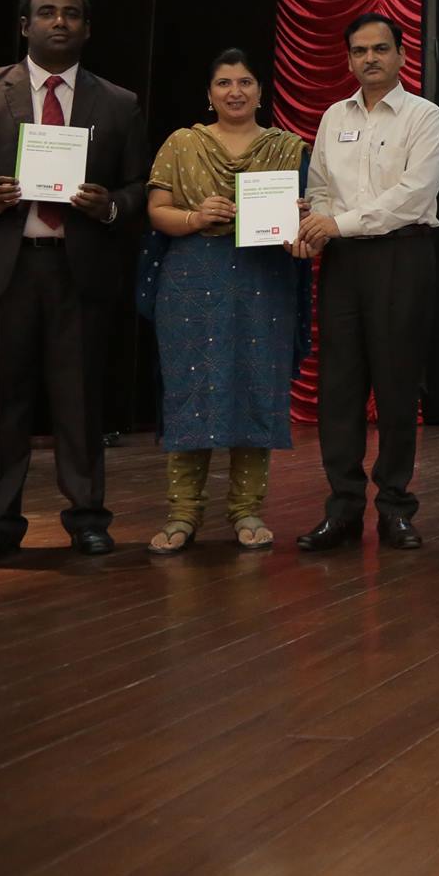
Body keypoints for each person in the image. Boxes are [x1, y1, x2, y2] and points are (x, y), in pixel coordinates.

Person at [0, 0, 148, 564]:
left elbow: (138, 187)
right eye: (47, 13)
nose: (60, 22)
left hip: (79, 271)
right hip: (3, 269)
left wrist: (111, 206)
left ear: (88, 29)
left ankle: (88, 518)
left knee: (80, 400)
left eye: (72, 14)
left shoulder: (118, 102)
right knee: (1, 401)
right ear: (25, 26)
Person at [142, 49, 310, 553]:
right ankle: (182, 513)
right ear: (209, 93)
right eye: (223, 83)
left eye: (245, 82)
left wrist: (299, 216)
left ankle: (247, 510)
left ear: (260, 91)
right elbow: (157, 211)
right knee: (190, 390)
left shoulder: (288, 148)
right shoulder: (182, 143)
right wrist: (195, 217)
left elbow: (308, 219)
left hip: (263, 278)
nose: (235, 91)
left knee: (255, 387)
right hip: (192, 280)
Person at [294, 13, 439, 552]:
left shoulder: (424, 116)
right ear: (349, 60)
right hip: (343, 262)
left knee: (396, 385)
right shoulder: (333, 116)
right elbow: (319, 187)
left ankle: (395, 508)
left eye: (380, 49)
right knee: (339, 388)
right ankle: (341, 509)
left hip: (402, 255)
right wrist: (313, 226)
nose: (370, 59)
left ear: (401, 55)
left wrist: (335, 223)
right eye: (359, 51)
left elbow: (413, 194)